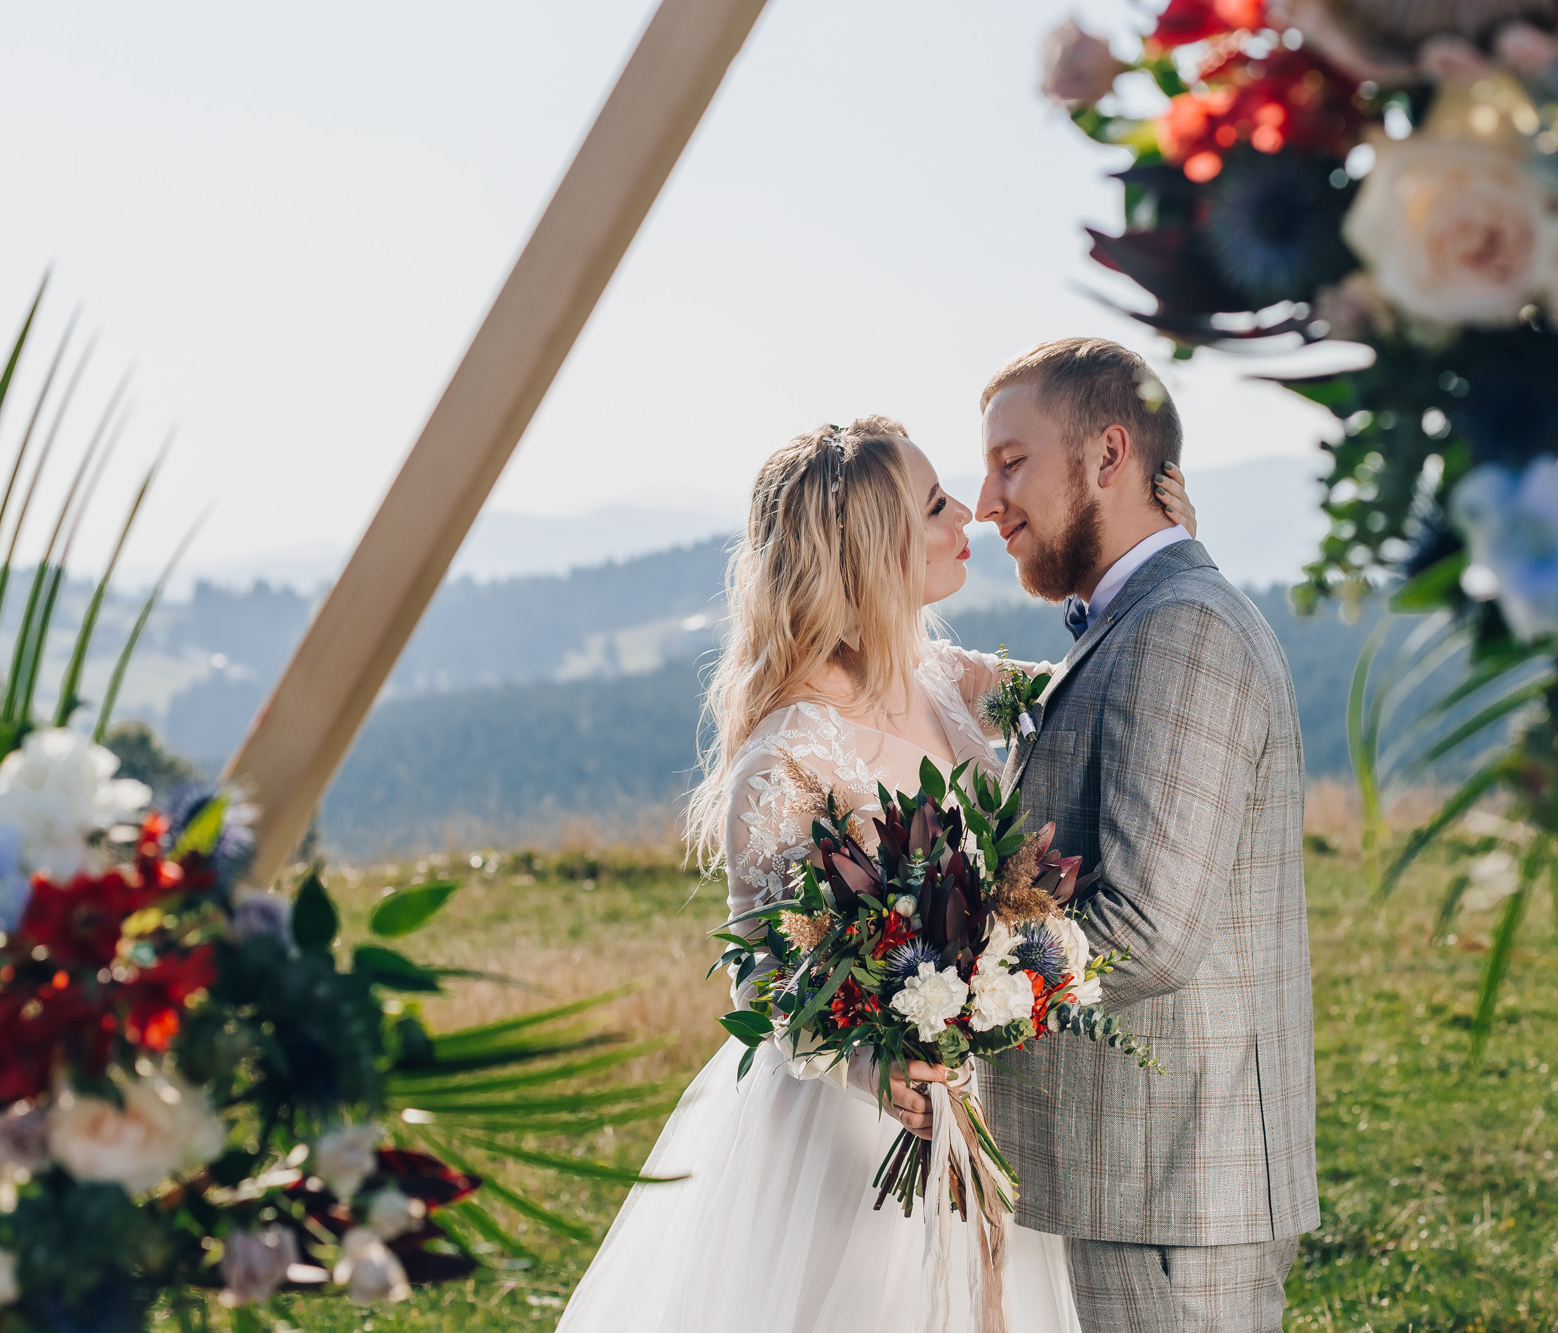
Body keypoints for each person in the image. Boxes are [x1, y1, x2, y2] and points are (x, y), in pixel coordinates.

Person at [555, 414, 1197, 1333]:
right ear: (870, 551)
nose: (966, 518)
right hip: (852, 1138)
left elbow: (1097, 689)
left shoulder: (946, 676)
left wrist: (1164, 554)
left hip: (982, 1103)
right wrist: (872, 1070)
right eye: (935, 505)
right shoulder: (786, 758)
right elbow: (764, 972)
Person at [974, 338, 1316, 1333]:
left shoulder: (1179, 629)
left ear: (1107, 454)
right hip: (1141, 1181)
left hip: (1168, 1190)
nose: (990, 502)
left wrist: (947, 977)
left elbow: (1148, 926)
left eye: (1009, 462)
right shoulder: (1136, 621)